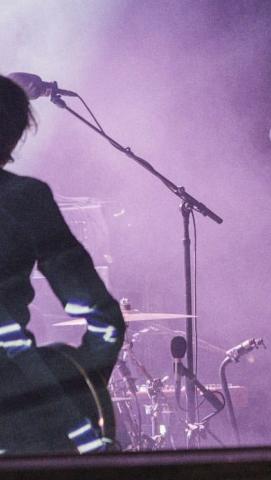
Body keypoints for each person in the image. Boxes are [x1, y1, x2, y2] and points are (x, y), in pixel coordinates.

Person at [0, 75, 125, 453]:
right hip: (18, 415)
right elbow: (105, 320)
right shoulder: (24, 199)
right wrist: (81, 381)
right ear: (16, 134)